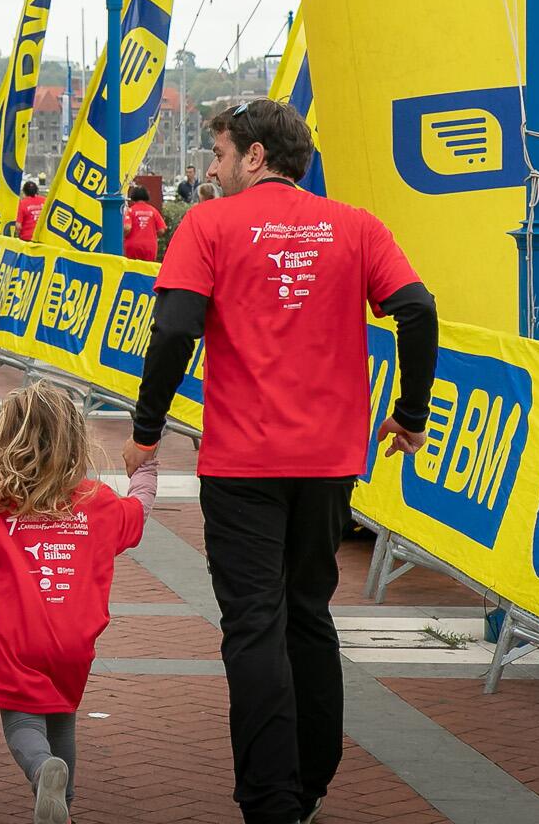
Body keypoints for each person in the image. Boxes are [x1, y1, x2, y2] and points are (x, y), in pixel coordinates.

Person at [124, 100, 438, 824]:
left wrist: (147, 427)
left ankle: (270, 798)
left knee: (254, 623)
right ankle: (311, 779)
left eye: (221, 154)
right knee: (307, 612)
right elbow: (418, 311)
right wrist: (410, 414)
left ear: (256, 156)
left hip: (242, 461)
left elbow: (173, 330)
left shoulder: (205, 225)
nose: (211, 170)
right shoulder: (357, 226)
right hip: (329, 461)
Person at [0, 383, 156, 824]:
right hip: (76, 639)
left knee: (23, 723)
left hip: (17, 636)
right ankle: (62, 806)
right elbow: (139, 509)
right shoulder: (97, 502)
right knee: (62, 715)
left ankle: (42, 769)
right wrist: (146, 467)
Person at [122, 183, 165, 263]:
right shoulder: (153, 211)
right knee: (147, 271)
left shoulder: (131, 211)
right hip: (150, 246)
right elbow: (161, 230)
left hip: (132, 246)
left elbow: (127, 227)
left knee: (133, 270)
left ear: (133, 196)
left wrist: (122, 237)